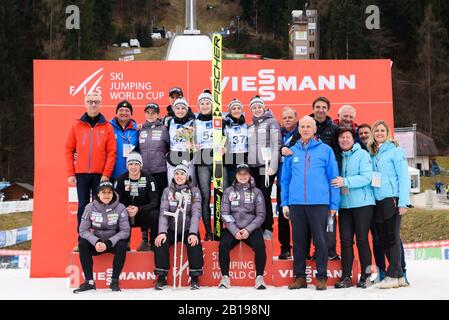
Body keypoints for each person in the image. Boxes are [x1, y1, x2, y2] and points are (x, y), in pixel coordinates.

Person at [281, 116, 340, 291]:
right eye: (303, 126)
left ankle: (321, 277)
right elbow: (285, 180)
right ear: (299, 129)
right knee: (298, 242)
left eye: (309, 126)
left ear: (315, 130)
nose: (305, 129)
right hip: (296, 204)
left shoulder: (326, 150)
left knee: (321, 242)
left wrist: (333, 205)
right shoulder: (292, 152)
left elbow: (333, 179)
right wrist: (284, 202)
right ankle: (299, 277)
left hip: (319, 204)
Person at [65, 92, 116, 249]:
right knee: (83, 207)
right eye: (90, 101)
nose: (93, 104)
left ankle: (99, 241)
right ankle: (82, 241)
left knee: (100, 207)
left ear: (101, 104)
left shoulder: (107, 127)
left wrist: (106, 174)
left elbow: (111, 152)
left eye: (96, 102)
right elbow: (68, 149)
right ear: (85, 104)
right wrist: (70, 173)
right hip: (81, 174)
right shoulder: (76, 126)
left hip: (99, 175)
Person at [367, 120, 410, 289]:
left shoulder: (396, 151)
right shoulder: (372, 153)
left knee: (392, 237)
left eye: (382, 130)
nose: (379, 133)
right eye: (376, 130)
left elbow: (403, 177)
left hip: (392, 199)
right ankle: (398, 276)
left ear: (387, 133)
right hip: (377, 201)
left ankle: (392, 274)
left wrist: (404, 202)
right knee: (383, 238)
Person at [331, 128, 375, 289]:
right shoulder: (337, 157)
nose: (344, 140)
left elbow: (367, 177)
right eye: (341, 137)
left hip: (363, 204)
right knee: (345, 241)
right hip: (344, 206)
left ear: (353, 139)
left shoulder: (362, 154)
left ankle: (367, 275)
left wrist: (346, 181)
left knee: (362, 240)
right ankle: (346, 276)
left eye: (347, 137)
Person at [154, 162, 204, 290]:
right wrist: (162, 232)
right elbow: (163, 213)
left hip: (187, 228)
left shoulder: (194, 191)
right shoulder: (167, 191)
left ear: (187, 176)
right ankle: (161, 277)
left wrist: (193, 232)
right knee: (160, 242)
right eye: (177, 174)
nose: (179, 176)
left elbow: (196, 213)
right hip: (172, 227)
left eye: (182, 174)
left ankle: (194, 277)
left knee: (194, 243)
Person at [74, 181, 130, 293]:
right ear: (98, 194)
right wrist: (96, 241)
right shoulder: (89, 207)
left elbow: (125, 231)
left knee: (122, 244)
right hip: (97, 243)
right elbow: (82, 230)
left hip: (112, 243)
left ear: (113, 194)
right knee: (83, 243)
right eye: (103, 192)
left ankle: (114, 281)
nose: (106, 195)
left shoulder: (120, 207)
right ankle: (89, 282)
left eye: (109, 192)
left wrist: (109, 242)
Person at [218, 164, 267, 290]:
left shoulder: (257, 192)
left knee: (260, 245)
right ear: (236, 175)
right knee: (223, 244)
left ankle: (260, 278)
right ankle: (225, 278)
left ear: (249, 175)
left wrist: (248, 229)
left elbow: (261, 215)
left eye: (245, 174)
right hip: (232, 228)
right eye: (240, 174)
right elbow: (224, 213)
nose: (243, 176)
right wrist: (235, 230)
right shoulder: (229, 191)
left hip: (251, 228)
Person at [309, 96, 340, 260]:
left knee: (329, 215)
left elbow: (338, 152)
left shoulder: (334, 128)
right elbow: (292, 146)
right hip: (311, 179)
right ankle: (317, 251)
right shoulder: (306, 125)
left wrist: (337, 174)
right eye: (317, 107)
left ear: (327, 110)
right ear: (313, 108)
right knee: (315, 217)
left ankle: (331, 250)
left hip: (328, 177)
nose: (320, 110)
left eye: (323, 107)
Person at [247, 95, 281, 240]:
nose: (257, 110)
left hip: (266, 165)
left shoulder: (272, 122)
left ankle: (268, 227)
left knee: (265, 195)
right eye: (254, 108)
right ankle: (257, 226)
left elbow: (276, 145)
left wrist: (273, 165)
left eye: (259, 107)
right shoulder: (250, 126)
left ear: (264, 107)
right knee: (255, 196)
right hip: (252, 166)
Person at [139, 102, 170, 247]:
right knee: (143, 203)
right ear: (145, 114)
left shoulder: (164, 129)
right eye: (148, 112)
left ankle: (156, 236)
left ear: (158, 115)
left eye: (154, 112)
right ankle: (144, 238)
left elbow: (171, 148)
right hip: (143, 173)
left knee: (157, 205)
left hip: (160, 172)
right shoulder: (139, 130)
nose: (151, 115)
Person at [115, 152, 159, 251]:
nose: (133, 167)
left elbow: (154, 202)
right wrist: (125, 209)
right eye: (130, 164)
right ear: (127, 166)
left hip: (143, 213)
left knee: (155, 214)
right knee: (117, 213)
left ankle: (151, 243)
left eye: (136, 164)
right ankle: (124, 243)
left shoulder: (149, 179)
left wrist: (139, 209)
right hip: (126, 213)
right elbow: (115, 201)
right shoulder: (120, 180)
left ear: (141, 165)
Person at [276, 107, 299, 260]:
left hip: (297, 181)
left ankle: (300, 248)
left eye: (290, 117)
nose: (288, 120)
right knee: (282, 217)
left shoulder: (301, 132)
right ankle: (285, 248)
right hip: (281, 181)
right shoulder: (278, 133)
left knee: (298, 217)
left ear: (296, 118)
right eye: (285, 118)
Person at [193, 89, 215, 241]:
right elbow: (190, 143)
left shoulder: (220, 119)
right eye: (202, 104)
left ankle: (222, 229)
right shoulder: (194, 122)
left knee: (222, 195)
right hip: (202, 161)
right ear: (198, 106)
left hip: (218, 160)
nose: (205, 106)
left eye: (208, 103)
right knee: (205, 196)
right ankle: (208, 231)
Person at [166, 98, 197, 186]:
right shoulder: (169, 122)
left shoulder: (193, 122)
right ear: (174, 109)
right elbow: (165, 138)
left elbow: (198, 141)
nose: (180, 111)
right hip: (173, 158)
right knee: (171, 186)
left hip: (188, 157)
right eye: (177, 108)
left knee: (191, 187)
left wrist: (192, 145)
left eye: (183, 108)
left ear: (187, 109)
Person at [110, 100, 139, 181]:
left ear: (131, 114)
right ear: (116, 113)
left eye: (127, 110)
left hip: (130, 173)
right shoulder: (108, 127)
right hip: (112, 173)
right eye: (121, 110)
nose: (124, 113)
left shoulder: (136, 129)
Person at [223, 99, 248, 188]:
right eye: (233, 108)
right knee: (231, 186)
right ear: (230, 111)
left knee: (244, 186)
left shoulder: (246, 125)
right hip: (230, 160)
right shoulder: (225, 125)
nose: (236, 110)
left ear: (241, 110)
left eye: (238, 108)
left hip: (243, 158)